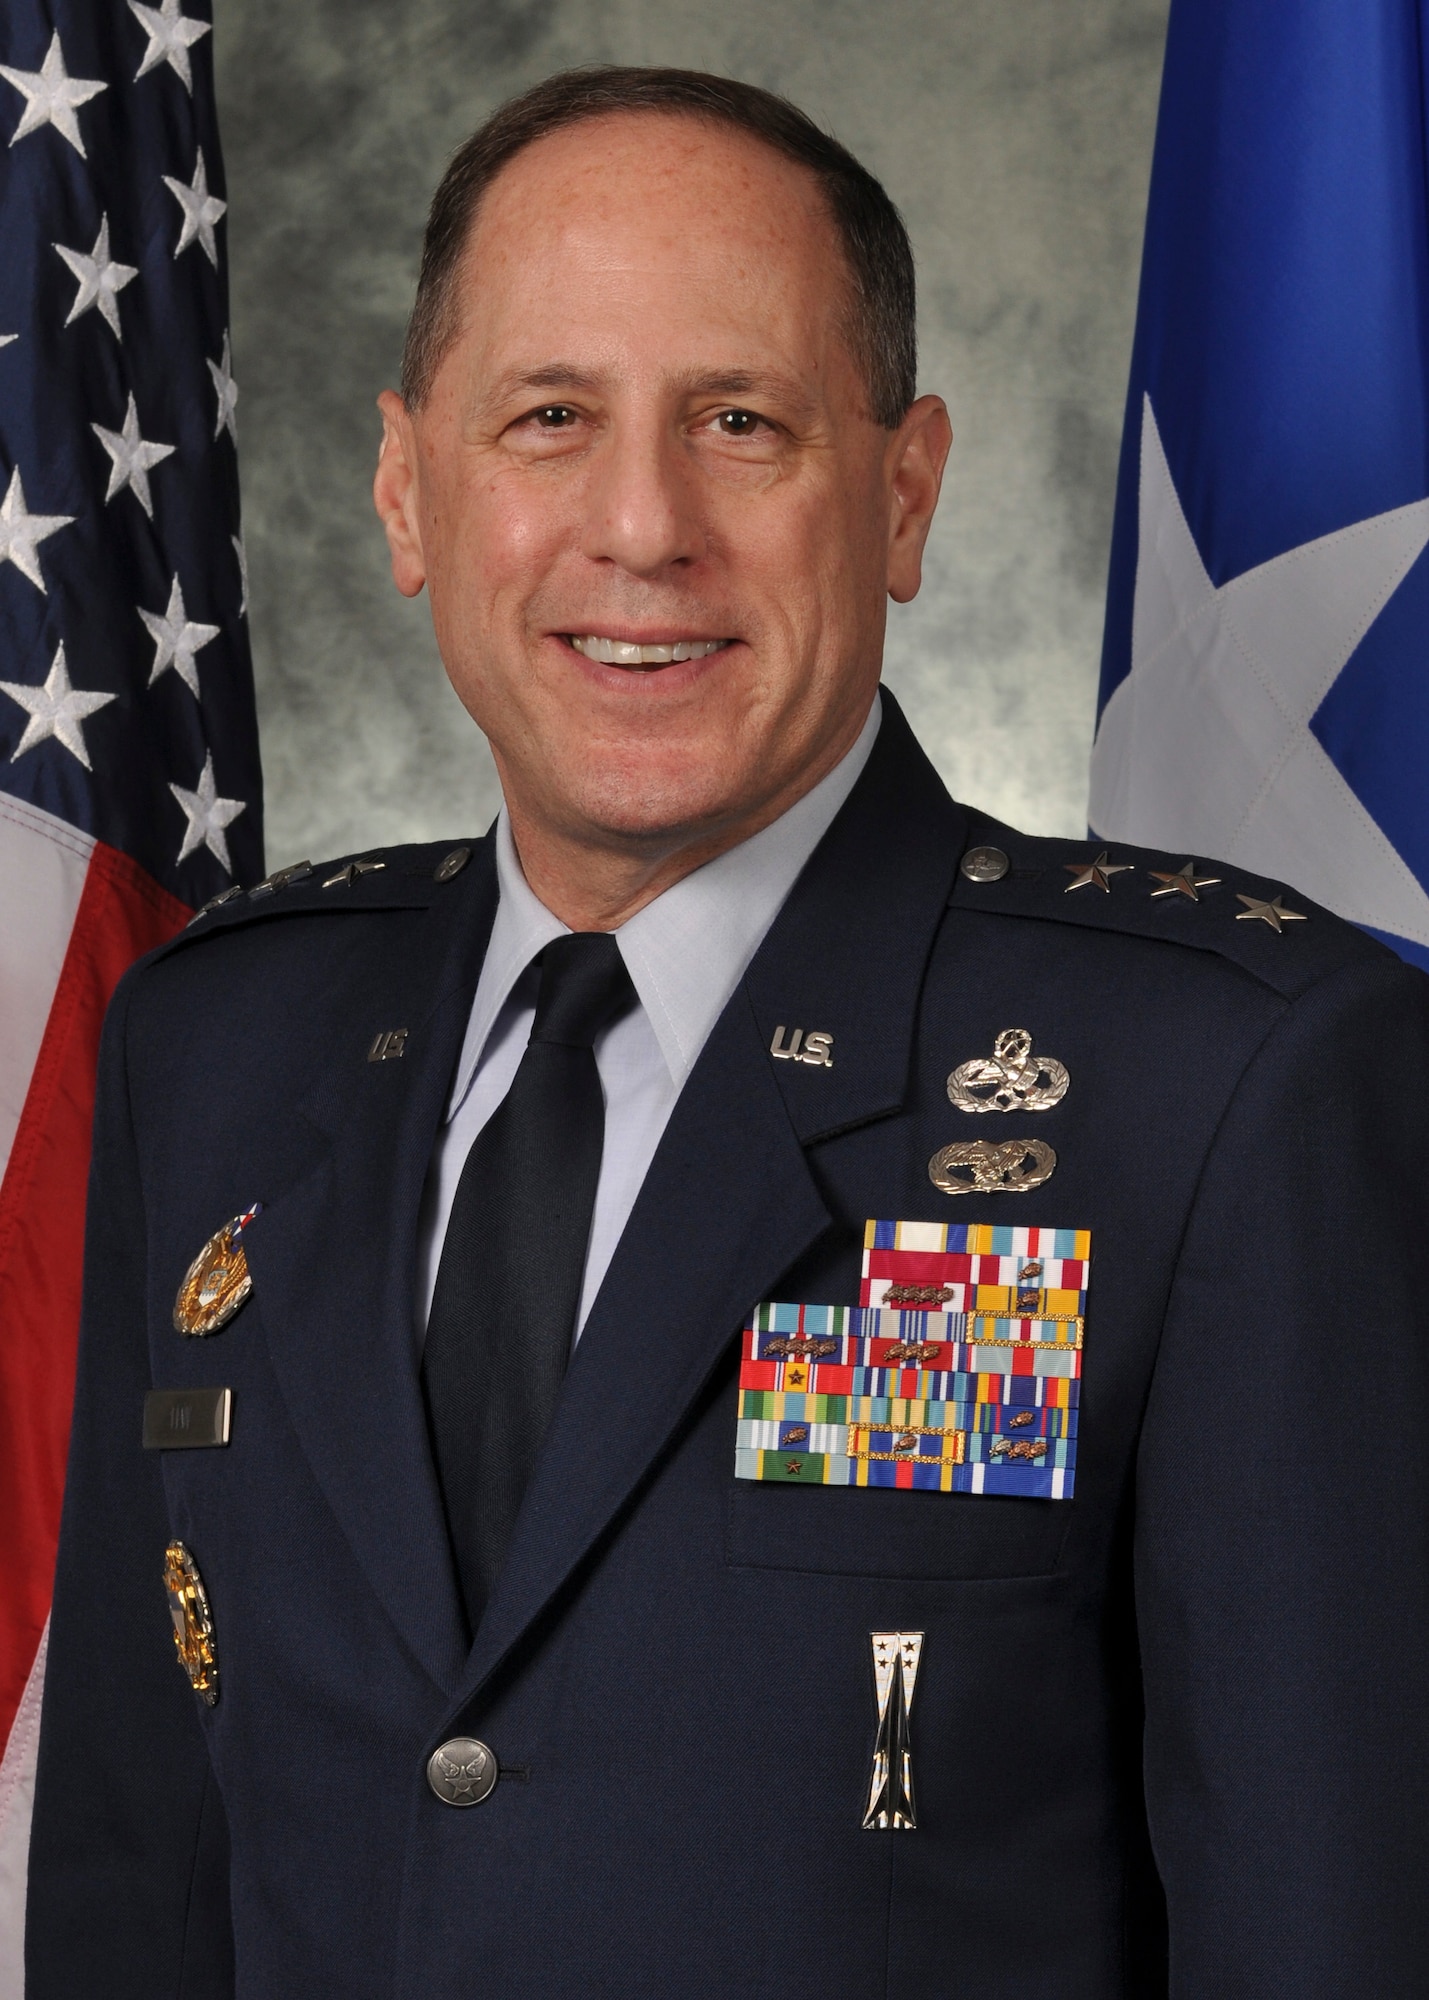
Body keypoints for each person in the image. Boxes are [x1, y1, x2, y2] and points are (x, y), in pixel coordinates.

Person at [25, 64, 1429, 2000]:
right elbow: (138, 1868)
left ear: (906, 488)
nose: (640, 526)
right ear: (408, 489)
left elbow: (1331, 1919)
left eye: (739, 421)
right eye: (547, 419)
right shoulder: (223, 1043)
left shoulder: (1230, 1080)